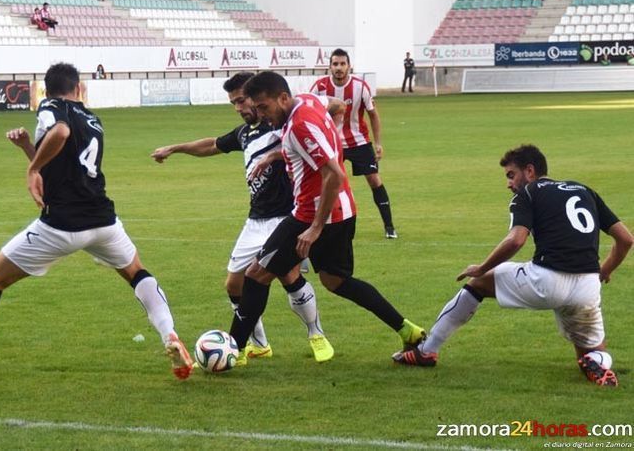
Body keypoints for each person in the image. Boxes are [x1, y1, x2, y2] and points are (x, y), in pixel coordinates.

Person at [0, 63, 194, 381]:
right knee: (136, 272)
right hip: (104, 221)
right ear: (79, 88)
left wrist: (31, 168)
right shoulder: (93, 119)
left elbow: (59, 134)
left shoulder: (51, 106)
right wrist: (27, 150)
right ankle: (170, 335)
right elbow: (58, 166)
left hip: (61, 225)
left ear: (48, 90)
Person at [228, 71, 426, 367]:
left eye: (265, 107)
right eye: (257, 109)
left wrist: (315, 228)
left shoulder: (298, 126)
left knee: (256, 275)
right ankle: (407, 329)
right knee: (337, 281)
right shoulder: (309, 102)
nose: (262, 116)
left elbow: (334, 174)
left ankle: (232, 351)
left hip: (312, 215)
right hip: (345, 211)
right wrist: (273, 157)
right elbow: (334, 113)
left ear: (283, 98)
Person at [393, 145, 633, 387]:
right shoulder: (584, 190)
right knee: (592, 352)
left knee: (479, 283)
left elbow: (516, 239)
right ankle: (598, 361)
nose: (509, 183)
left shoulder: (528, 193)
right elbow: (626, 239)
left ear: (529, 171)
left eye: (511, 175)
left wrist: (481, 267)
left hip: (546, 280)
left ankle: (427, 350)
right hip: (587, 287)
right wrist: (605, 270)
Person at [151, 72, 334, 362]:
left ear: (257, 97)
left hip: (286, 215)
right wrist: (175, 148)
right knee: (234, 285)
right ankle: (259, 343)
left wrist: (333, 129)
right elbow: (211, 145)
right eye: (233, 103)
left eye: (241, 100)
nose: (238, 107)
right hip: (255, 219)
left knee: (288, 274)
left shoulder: (283, 122)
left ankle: (316, 334)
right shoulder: (244, 133)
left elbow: (332, 106)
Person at [310, 48, 397, 239]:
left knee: (374, 180)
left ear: (349, 66)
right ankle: (315, 227)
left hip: (359, 142)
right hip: (331, 144)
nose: (339, 68)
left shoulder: (360, 87)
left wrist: (378, 143)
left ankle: (389, 226)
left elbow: (373, 114)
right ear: (330, 66)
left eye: (342, 64)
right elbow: (309, 114)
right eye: (335, 64)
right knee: (320, 184)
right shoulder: (319, 87)